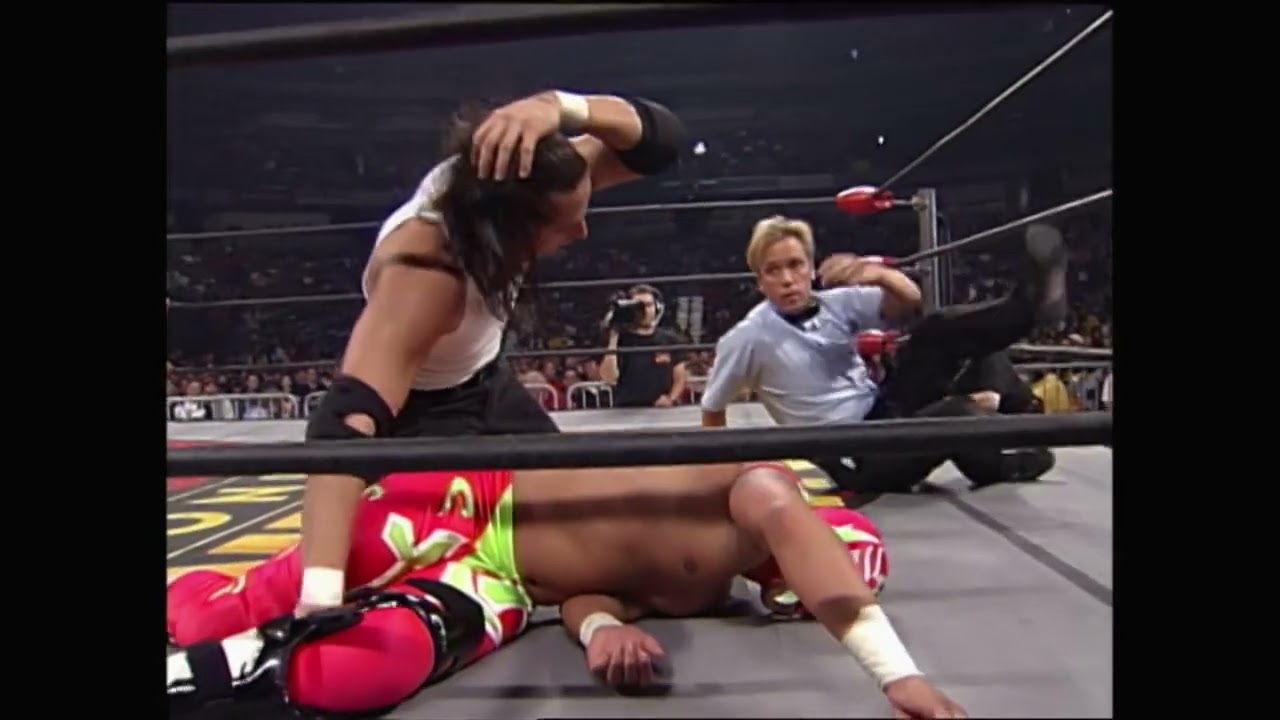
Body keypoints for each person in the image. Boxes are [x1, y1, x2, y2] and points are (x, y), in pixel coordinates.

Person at [168, 463, 965, 719]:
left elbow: (590, 590)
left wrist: (600, 631)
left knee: (365, 670)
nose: (787, 596)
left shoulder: (709, 588)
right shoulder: (759, 490)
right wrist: (898, 676)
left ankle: (192, 680)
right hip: (467, 502)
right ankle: (197, 605)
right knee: (220, 611)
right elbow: (805, 545)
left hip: (504, 583)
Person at [300, 91, 687, 615]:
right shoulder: (425, 276)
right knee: (516, 557)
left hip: (491, 385)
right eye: (563, 223)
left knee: (582, 510)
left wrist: (560, 107)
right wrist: (319, 598)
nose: (582, 230)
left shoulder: (526, 179)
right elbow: (346, 418)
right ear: (509, 228)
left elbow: (662, 142)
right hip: (425, 416)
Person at [699, 215, 1065, 496]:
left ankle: (1029, 307)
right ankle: (996, 464)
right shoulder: (748, 337)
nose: (787, 279)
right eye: (773, 270)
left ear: (811, 267)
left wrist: (876, 274)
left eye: (795, 265)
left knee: (936, 330)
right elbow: (712, 407)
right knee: (957, 413)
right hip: (854, 455)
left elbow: (910, 301)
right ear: (760, 281)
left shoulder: (834, 303)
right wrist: (720, 483)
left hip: (883, 410)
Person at [598, 283, 689, 408]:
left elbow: (680, 376)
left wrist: (671, 398)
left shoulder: (670, 339)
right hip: (626, 409)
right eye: (639, 306)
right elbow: (608, 378)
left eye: (649, 305)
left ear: (657, 307)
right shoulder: (620, 339)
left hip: (661, 409)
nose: (644, 310)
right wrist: (614, 336)